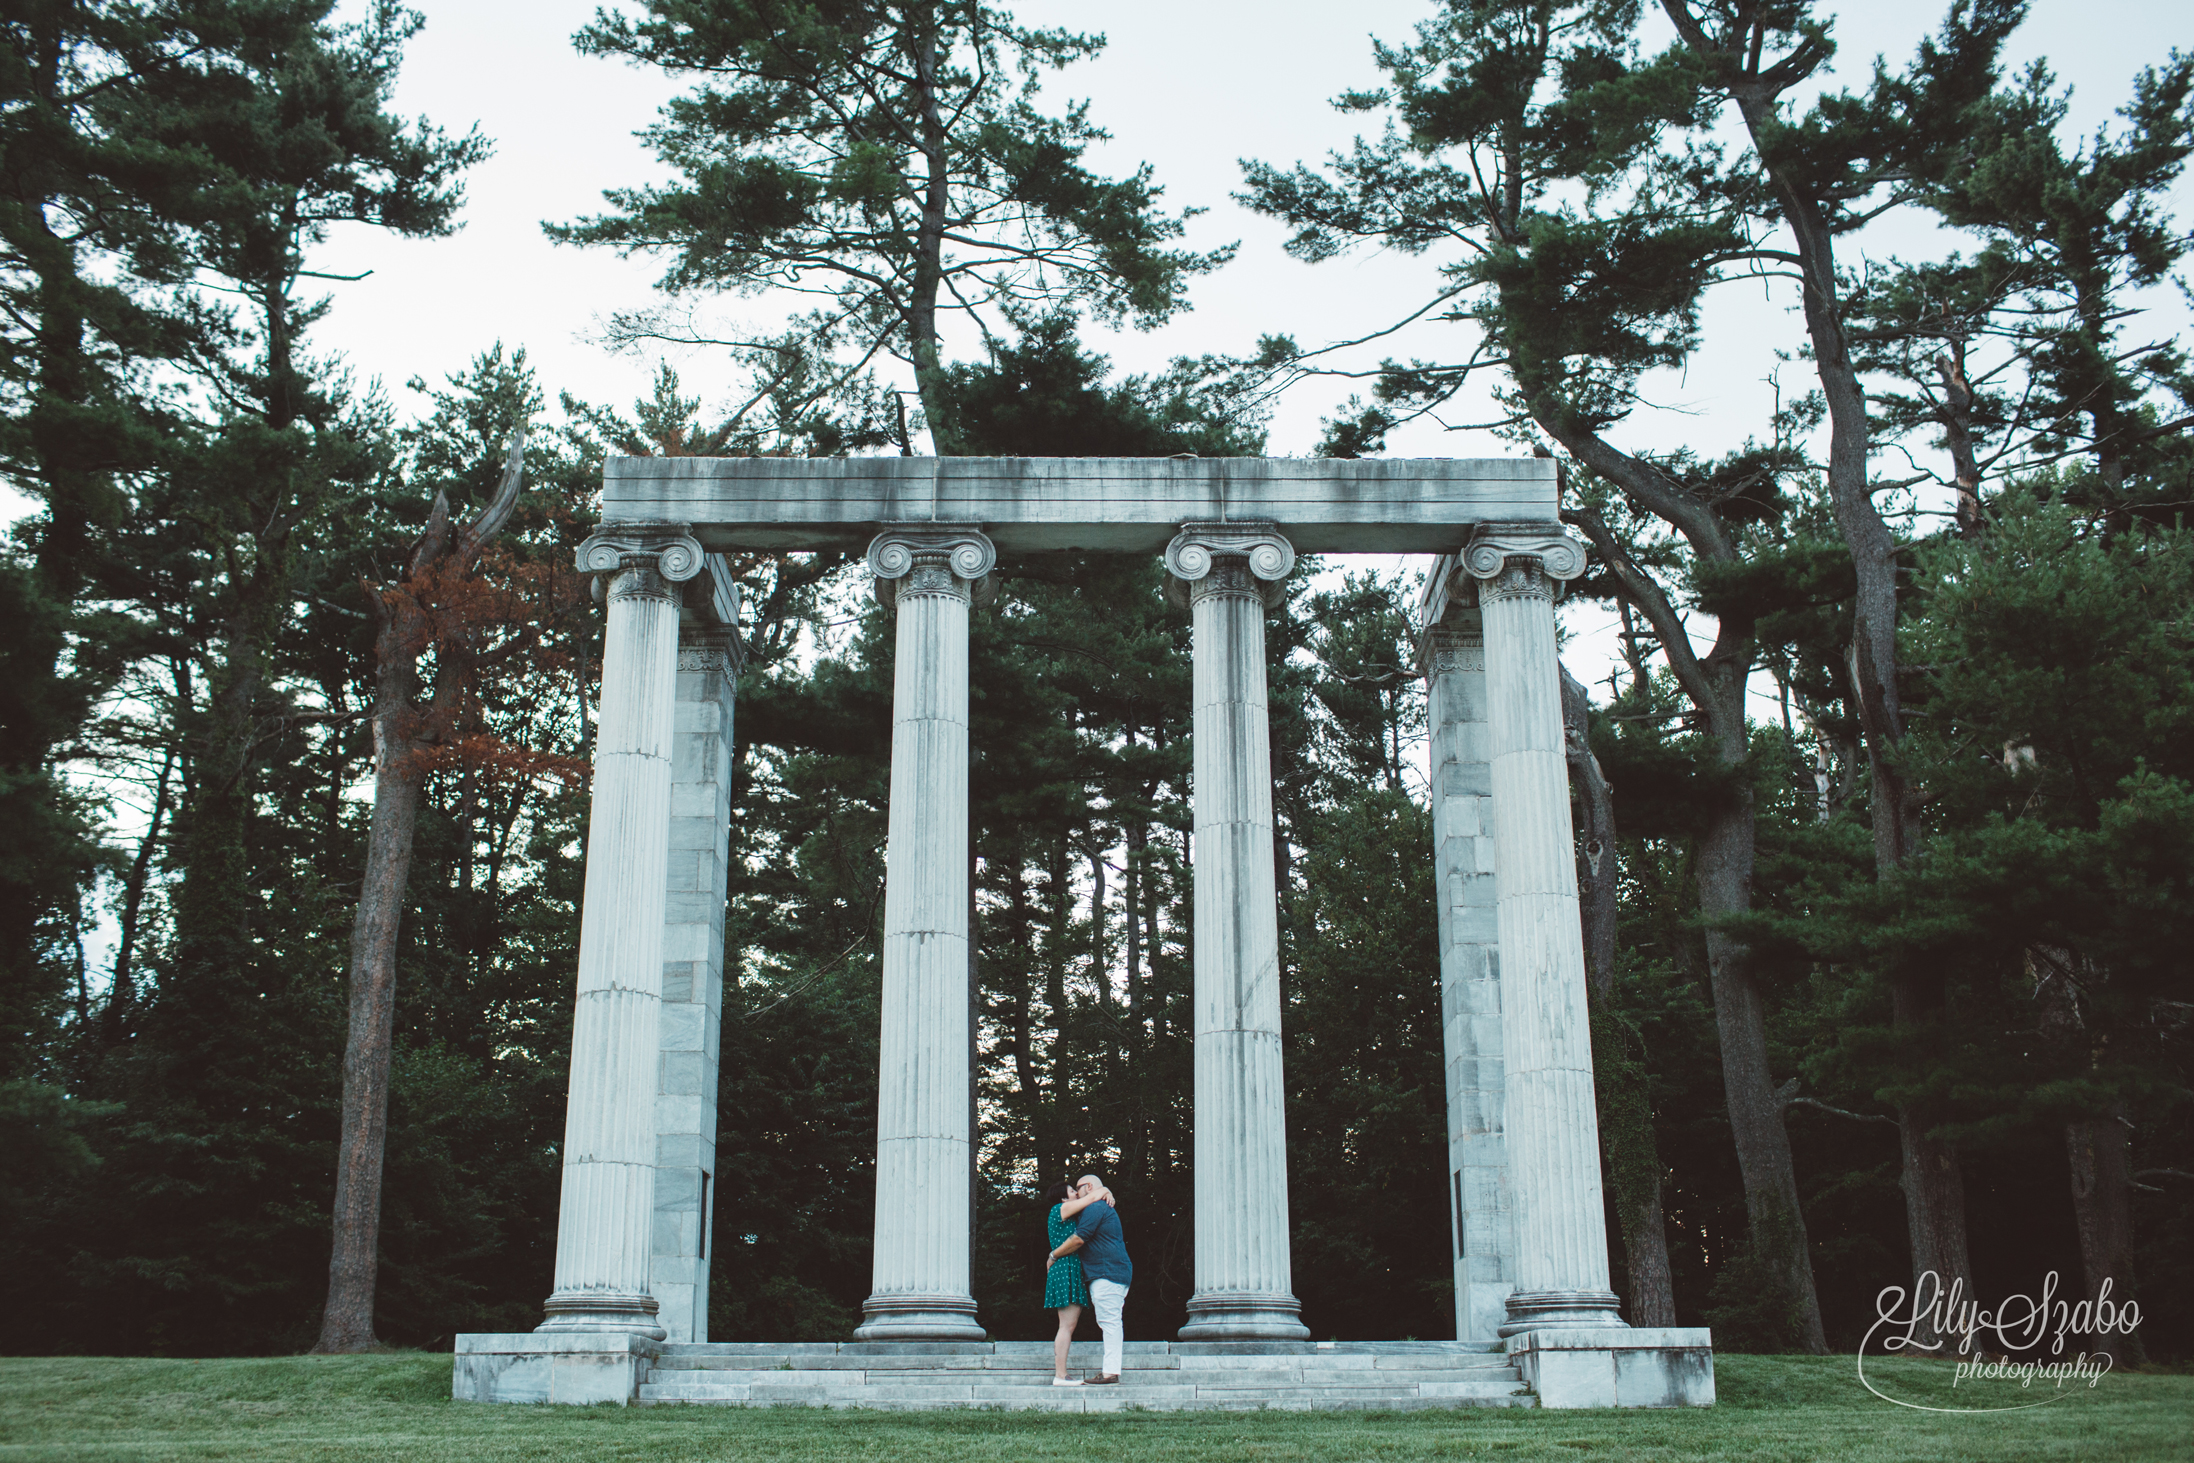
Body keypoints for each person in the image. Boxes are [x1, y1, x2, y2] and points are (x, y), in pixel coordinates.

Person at [1047, 1173, 1132, 1385]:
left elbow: (1078, 1239)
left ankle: (1110, 1372)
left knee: (1107, 1321)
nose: (1076, 1193)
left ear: (1088, 1187)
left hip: (1104, 1272)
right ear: (1064, 1198)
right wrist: (1104, 1191)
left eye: (1078, 1188)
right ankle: (1061, 1375)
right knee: (1073, 1324)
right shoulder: (1064, 1209)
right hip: (1080, 1270)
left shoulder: (1095, 1207)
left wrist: (1053, 1255)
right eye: (1071, 1190)